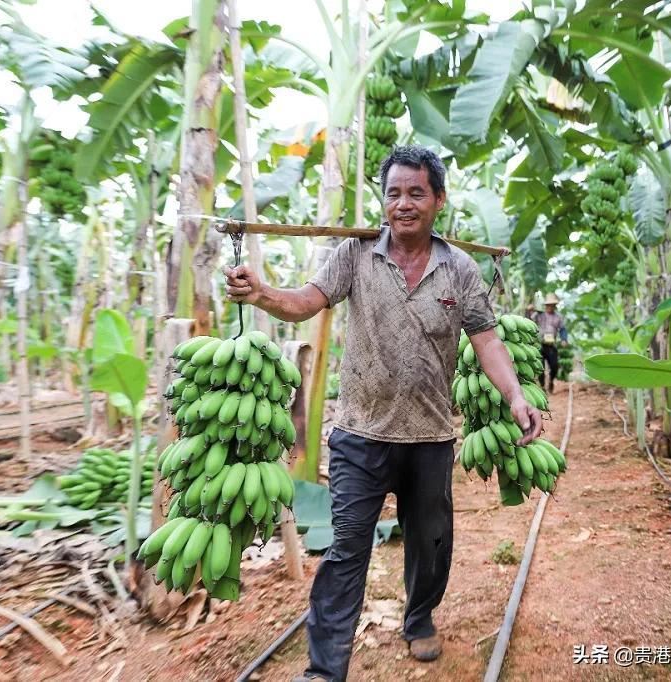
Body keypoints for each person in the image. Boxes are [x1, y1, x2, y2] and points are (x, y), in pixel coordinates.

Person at [223, 145, 542, 682]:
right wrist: (261, 294)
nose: (403, 204)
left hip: (430, 435)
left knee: (431, 543)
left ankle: (418, 618)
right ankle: (326, 668)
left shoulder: (459, 269)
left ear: (438, 200)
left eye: (416, 192)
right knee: (347, 548)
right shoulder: (356, 254)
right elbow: (306, 300)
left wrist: (515, 395)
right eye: (393, 193)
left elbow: (487, 342)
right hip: (359, 434)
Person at [532, 293, 567, 394]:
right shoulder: (540, 315)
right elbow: (530, 320)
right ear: (545, 305)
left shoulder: (558, 317)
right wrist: (531, 310)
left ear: (555, 306)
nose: (550, 307)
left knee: (554, 366)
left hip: (552, 345)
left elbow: (563, 329)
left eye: (552, 305)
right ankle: (542, 386)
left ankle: (551, 381)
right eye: (548, 305)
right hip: (540, 344)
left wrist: (564, 339)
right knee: (540, 367)